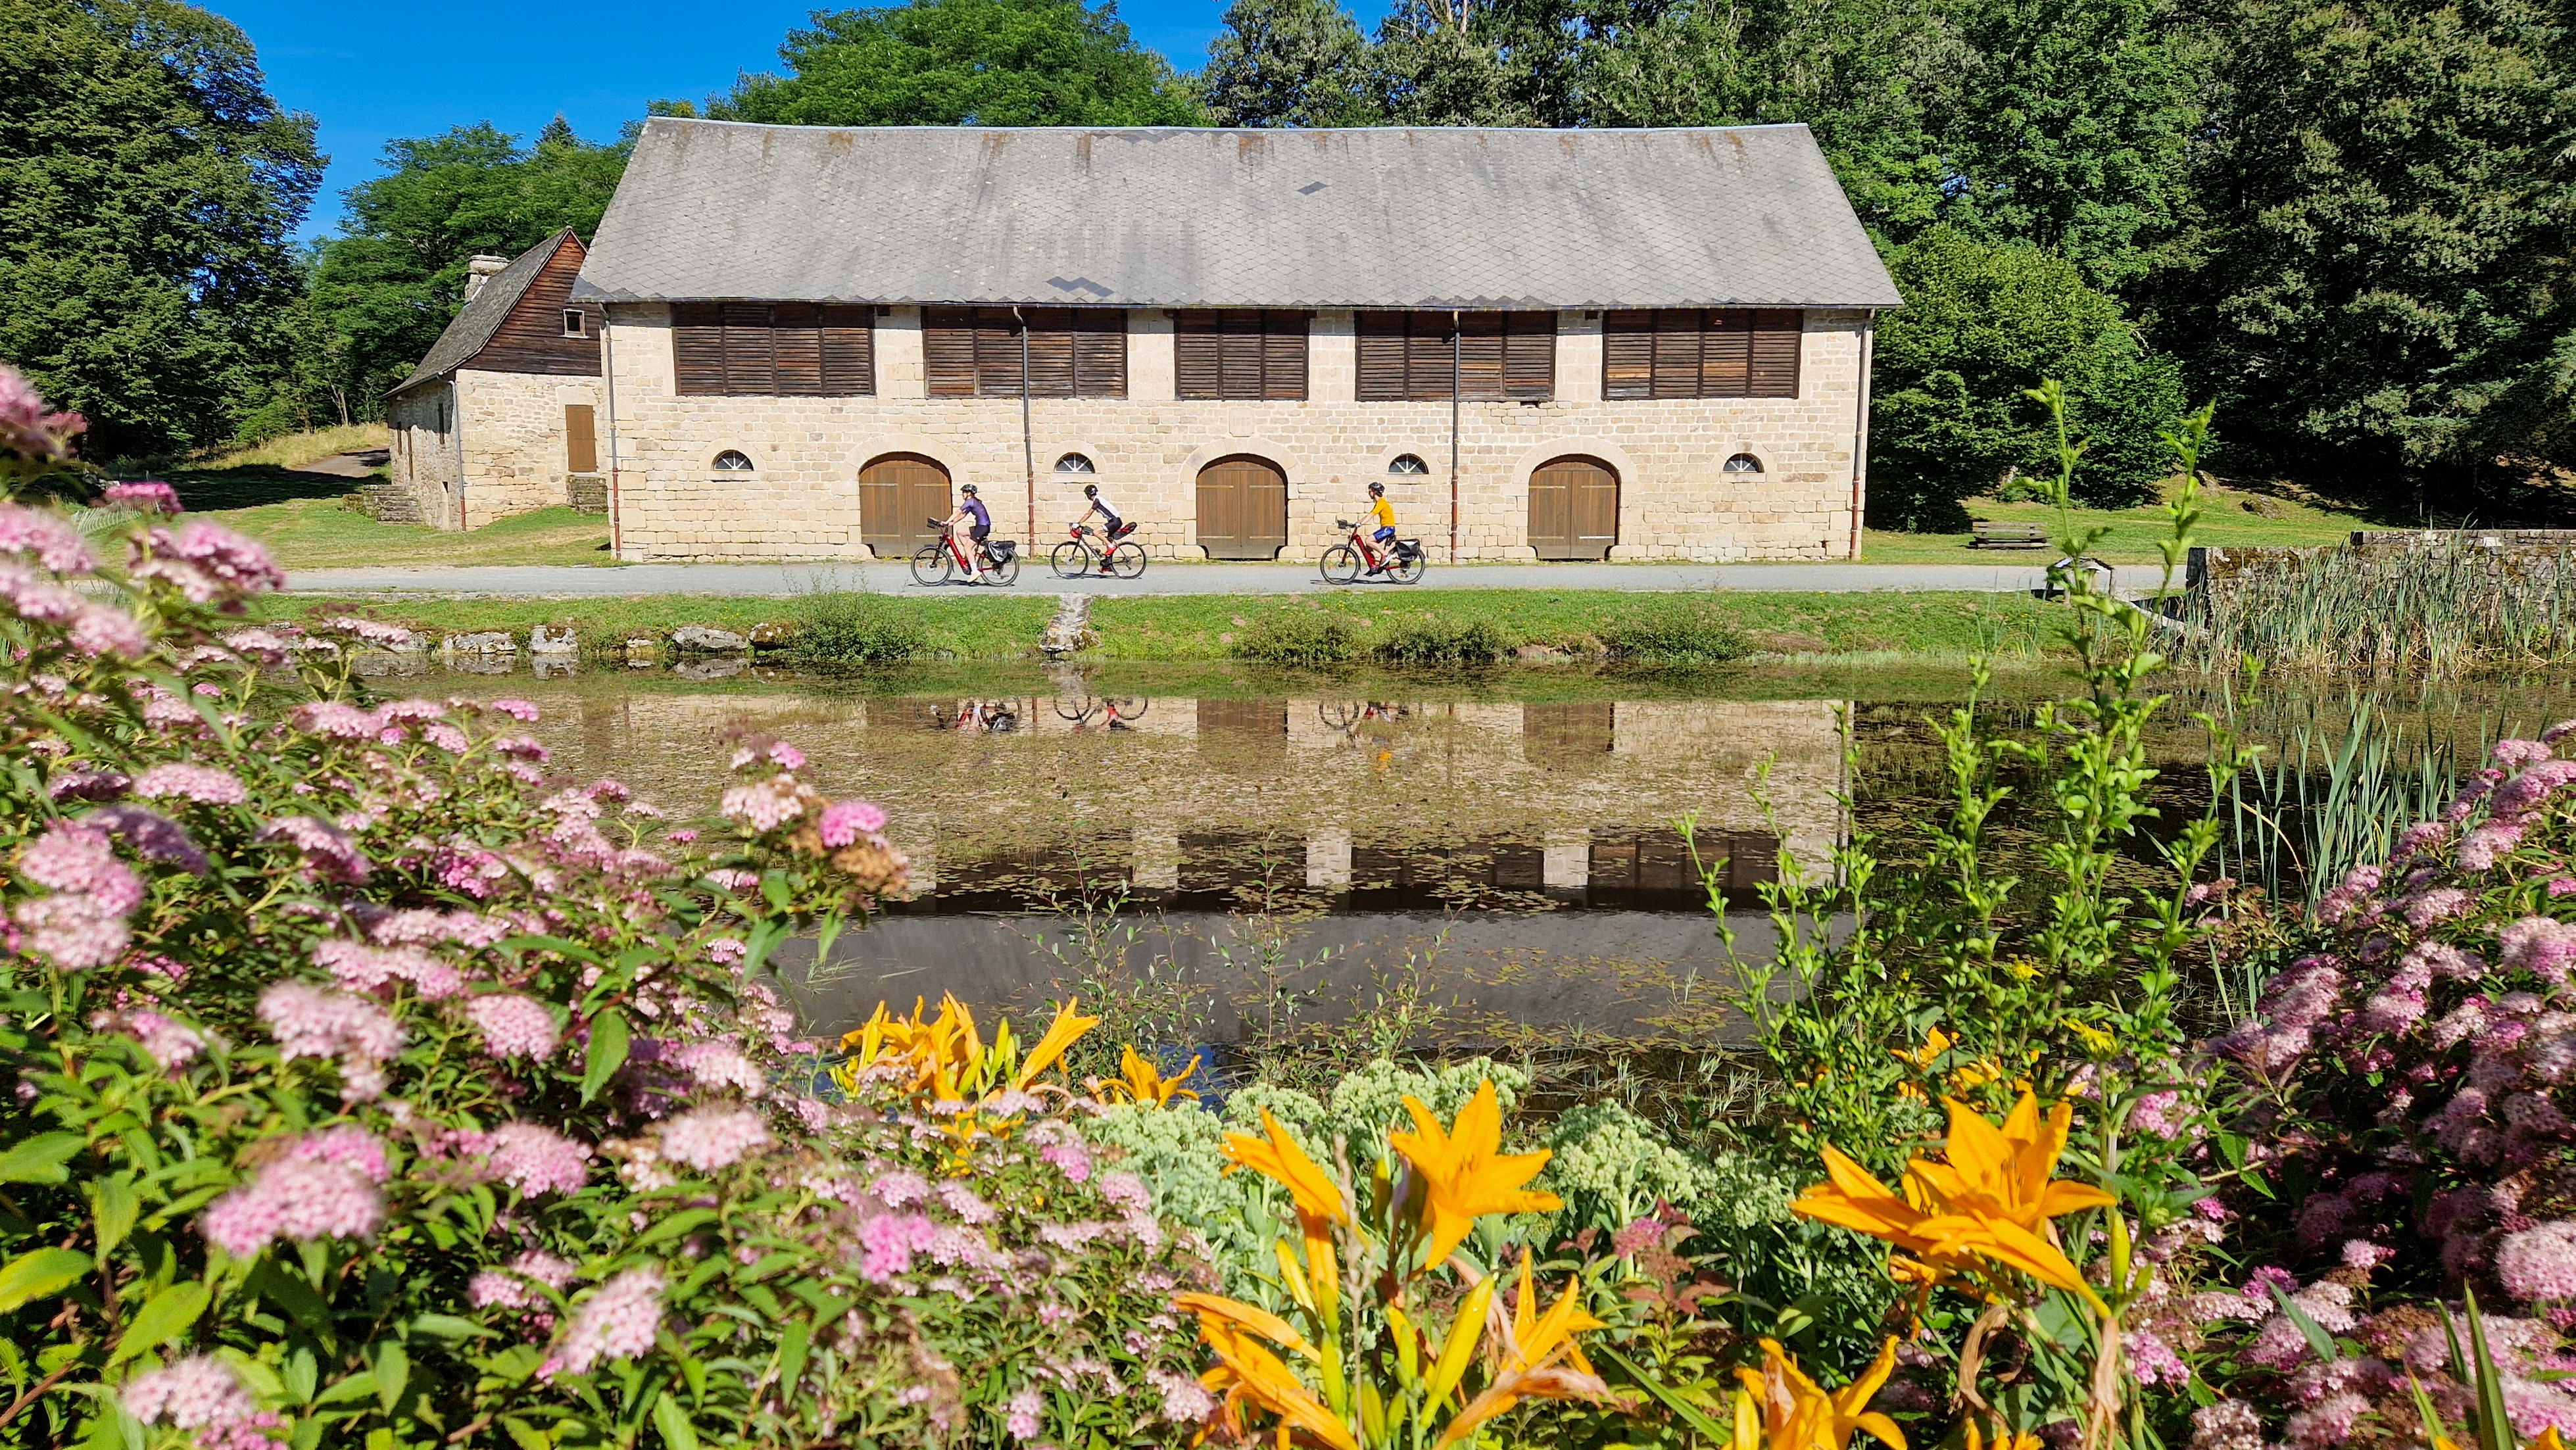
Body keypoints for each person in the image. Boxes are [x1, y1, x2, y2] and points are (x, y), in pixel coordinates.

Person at [943, 484, 992, 581]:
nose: (962, 494)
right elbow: (963, 515)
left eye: (964, 492)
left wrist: (947, 521)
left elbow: (958, 512)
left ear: (969, 494)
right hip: (981, 527)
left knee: (967, 548)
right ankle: (970, 554)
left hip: (982, 528)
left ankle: (975, 571)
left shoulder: (971, 501)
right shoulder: (972, 503)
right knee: (960, 532)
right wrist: (952, 523)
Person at [1075, 483, 1127, 575]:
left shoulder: (1097, 501)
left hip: (1114, 521)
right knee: (1107, 542)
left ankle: (1111, 547)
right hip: (1116, 521)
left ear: (1088, 494)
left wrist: (1079, 523)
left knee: (1096, 532)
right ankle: (1107, 567)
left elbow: (1088, 514)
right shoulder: (1099, 499)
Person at [1364, 482, 1397, 571]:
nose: (1369, 493)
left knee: (1368, 540)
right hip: (1386, 528)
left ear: (1374, 492)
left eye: (1370, 491)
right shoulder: (1379, 503)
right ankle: (1373, 566)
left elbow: (1372, 515)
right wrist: (1357, 522)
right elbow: (1369, 514)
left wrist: (1362, 523)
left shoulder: (1381, 502)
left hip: (1388, 529)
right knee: (1368, 546)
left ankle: (1385, 554)